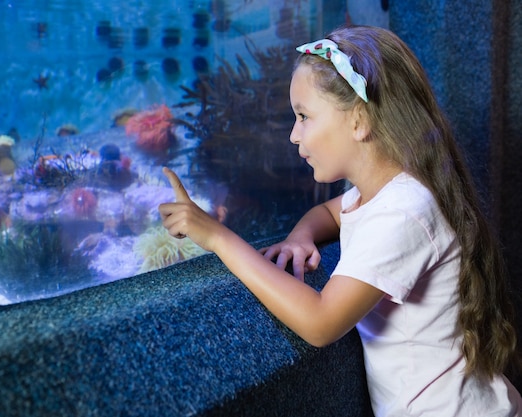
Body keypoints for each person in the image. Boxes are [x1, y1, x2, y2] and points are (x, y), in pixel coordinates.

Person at [158, 25, 522, 416]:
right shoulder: (388, 190)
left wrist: (217, 237)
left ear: (359, 121)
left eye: (304, 116)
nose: (295, 136)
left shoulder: (404, 210)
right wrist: (301, 236)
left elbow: (321, 322)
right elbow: (329, 213)